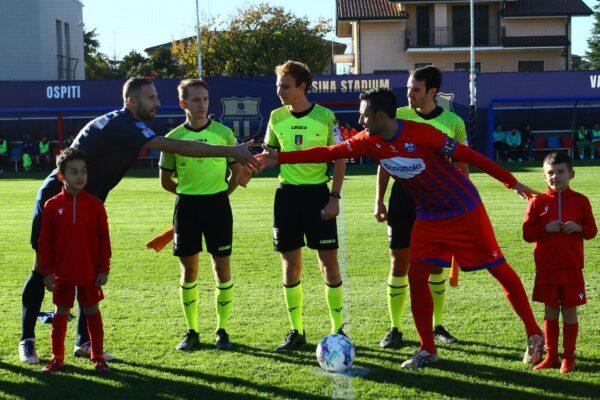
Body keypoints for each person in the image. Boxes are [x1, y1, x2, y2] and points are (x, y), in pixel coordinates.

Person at [257, 87, 544, 369]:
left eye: (364, 116)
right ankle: (428, 350)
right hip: (429, 216)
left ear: (381, 116)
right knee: (416, 277)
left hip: (463, 211)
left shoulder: (423, 134)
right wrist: (279, 158)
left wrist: (512, 182)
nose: (360, 122)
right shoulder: (368, 140)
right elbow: (327, 152)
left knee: (498, 268)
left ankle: (533, 332)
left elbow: (469, 156)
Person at [19, 76, 257, 364]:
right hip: (56, 197)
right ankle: (27, 341)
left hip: (88, 204)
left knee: (87, 269)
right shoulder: (124, 123)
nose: (157, 103)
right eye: (151, 98)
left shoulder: (130, 123)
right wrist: (230, 150)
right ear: (132, 101)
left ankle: (83, 343)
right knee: (41, 267)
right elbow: (177, 148)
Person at [244, 60, 347, 351]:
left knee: (329, 265)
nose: (280, 91)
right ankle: (296, 331)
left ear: (302, 86)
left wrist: (334, 197)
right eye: (278, 86)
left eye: (285, 86)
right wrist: (247, 170)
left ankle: (338, 331)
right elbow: (270, 155)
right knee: (290, 266)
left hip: (317, 196)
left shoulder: (326, 117)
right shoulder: (276, 117)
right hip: (286, 197)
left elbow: (339, 158)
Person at [374, 66, 467, 349]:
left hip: (438, 203)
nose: (410, 95)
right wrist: (379, 199)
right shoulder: (398, 116)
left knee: (436, 267)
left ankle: (438, 325)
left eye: (415, 90)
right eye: (408, 89)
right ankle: (395, 328)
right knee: (399, 263)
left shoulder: (453, 122)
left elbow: (461, 167)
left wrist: (463, 204)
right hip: (403, 198)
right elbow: (385, 160)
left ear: (432, 92)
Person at [159, 79, 240, 351]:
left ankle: (222, 330)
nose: (202, 104)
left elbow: (236, 174)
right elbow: (166, 181)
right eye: (195, 100)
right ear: (183, 104)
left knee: (221, 268)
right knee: (189, 269)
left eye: (205, 99)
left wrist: (218, 195)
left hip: (218, 207)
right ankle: (192, 330)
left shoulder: (224, 133)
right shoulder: (172, 140)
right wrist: (191, 194)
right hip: (187, 208)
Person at [38, 148, 112, 374]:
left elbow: (104, 240)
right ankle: (57, 359)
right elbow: (45, 243)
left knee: (92, 312)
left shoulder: (95, 205)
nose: (80, 177)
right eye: (73, 172)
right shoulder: (52, 205)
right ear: (61, 176)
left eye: (83, 171)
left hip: (89, 271)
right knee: (60, 314)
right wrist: (48, 272)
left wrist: (103, 268)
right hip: (62, 273)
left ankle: (97, 357)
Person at [523, 152, 596, 373]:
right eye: (551, 173)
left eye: (561, 172)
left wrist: (579, 228)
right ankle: (551, 356)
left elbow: (592, 231)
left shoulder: (581, 201)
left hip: (572, 268)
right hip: (546, 269)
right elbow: (527, 234)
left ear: (571, 174)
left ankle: (569, 358)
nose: (556, 177)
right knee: (551, 311)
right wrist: (545, 228)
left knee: (570, 311)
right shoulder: (538, 202)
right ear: (544, 177)